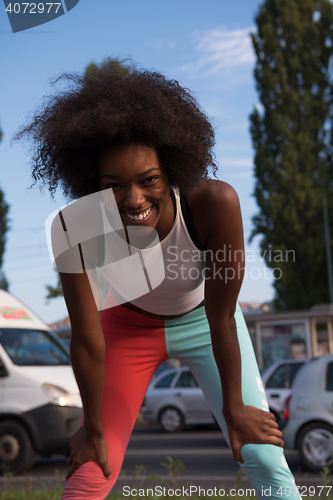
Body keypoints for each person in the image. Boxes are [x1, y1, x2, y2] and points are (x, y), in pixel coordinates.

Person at [17, 59, 300, 500]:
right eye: (113, 185)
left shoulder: (213, 203)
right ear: (92, 182)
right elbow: (88, 341)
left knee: (263, 456)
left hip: (207, 323)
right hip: (126, 329)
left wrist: (234, 410)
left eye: (148, 179)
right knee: (93, 469)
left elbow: (223, 316)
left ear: (171, 169)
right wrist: (93, 428)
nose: (133, 200)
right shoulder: (74, 229)